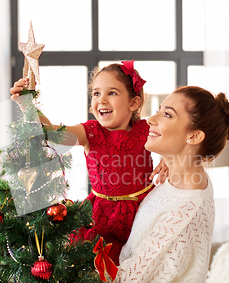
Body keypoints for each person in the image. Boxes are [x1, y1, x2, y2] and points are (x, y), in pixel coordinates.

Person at [106, 86, 229, 283]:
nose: (150, 119)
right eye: (158, 110)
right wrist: (170, 157)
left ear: (194, 136)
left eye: (167, 114)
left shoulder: (185, 211)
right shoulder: (185, 176)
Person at [10, 61, 158, 265]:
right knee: (98, 268)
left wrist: (170, 161)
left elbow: (178, 142)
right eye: (96, 93)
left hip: (142, 214)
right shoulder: (90, 131)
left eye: (112, 93)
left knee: (136, 267)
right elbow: (52, 133)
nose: (101, 100)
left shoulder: (145, 130)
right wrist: (27, 105)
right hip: (101, 216)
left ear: (133, 103)